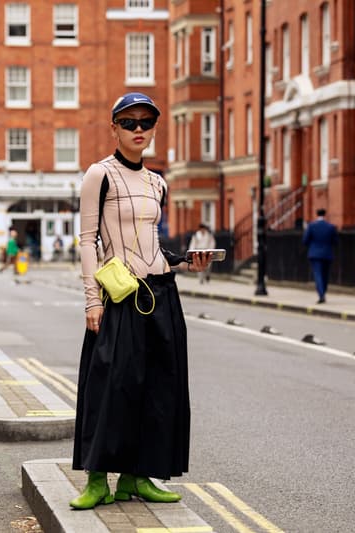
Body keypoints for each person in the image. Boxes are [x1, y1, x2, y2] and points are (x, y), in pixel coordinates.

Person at [71, 92, 213, 510]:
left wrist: (187, 261)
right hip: (119, 296)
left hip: (161, 294)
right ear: (113, 127)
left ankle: (137, 478)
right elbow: (87, 240)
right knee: (109, 388)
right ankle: (97, 480)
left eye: (145, 123)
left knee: (158, 389)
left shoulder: (158, 182)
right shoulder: (100, 175)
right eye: (129, 122)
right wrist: (91, 300)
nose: (138, 130)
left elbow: (151, 246)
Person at [302, 208, 338, 304]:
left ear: (316, 214)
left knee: (318, 274)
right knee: (325, 275)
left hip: (315, 254)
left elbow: (305, 240)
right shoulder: (331, 227)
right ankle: (323, 291)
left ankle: (321, 294)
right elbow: (335, 241)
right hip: (327, 253)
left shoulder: (311, 226)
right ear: (325, 215)